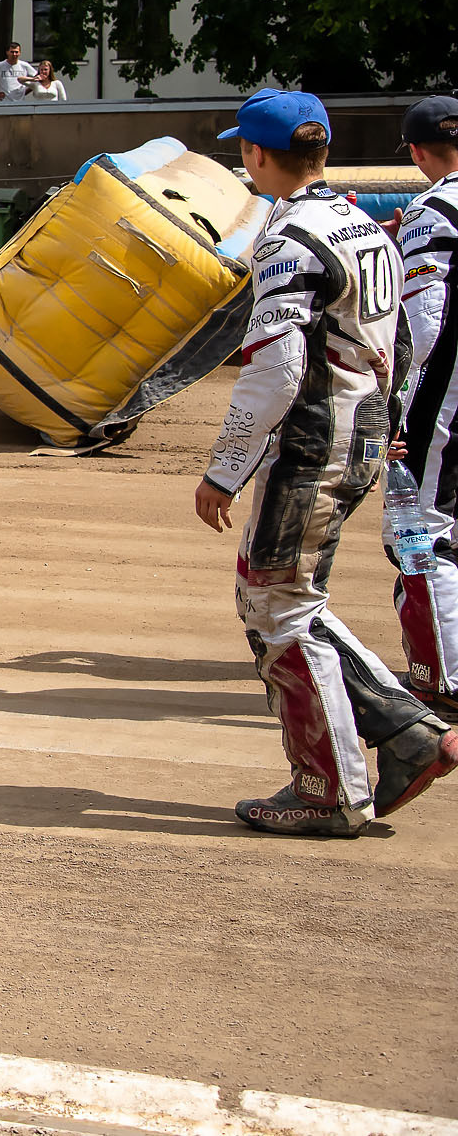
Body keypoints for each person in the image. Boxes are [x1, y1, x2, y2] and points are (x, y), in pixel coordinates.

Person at [193, 89, 457, 835]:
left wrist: (225, 468)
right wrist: (394, 416)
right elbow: (402, 332)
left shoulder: (288, 241)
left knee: (276, 606)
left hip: (312, 439)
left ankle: (332, 785)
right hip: (360, 428)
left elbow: (275, 370)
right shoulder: (360, 223)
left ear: (256, 155)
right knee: (285, 599)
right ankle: (407, 733)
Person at [388, 94, 458, 718]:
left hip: (447, 400)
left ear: (415, 152)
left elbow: (426, 325)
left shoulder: (431, 210)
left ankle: (443, 677)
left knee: (420, 534)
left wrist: (403, 409)